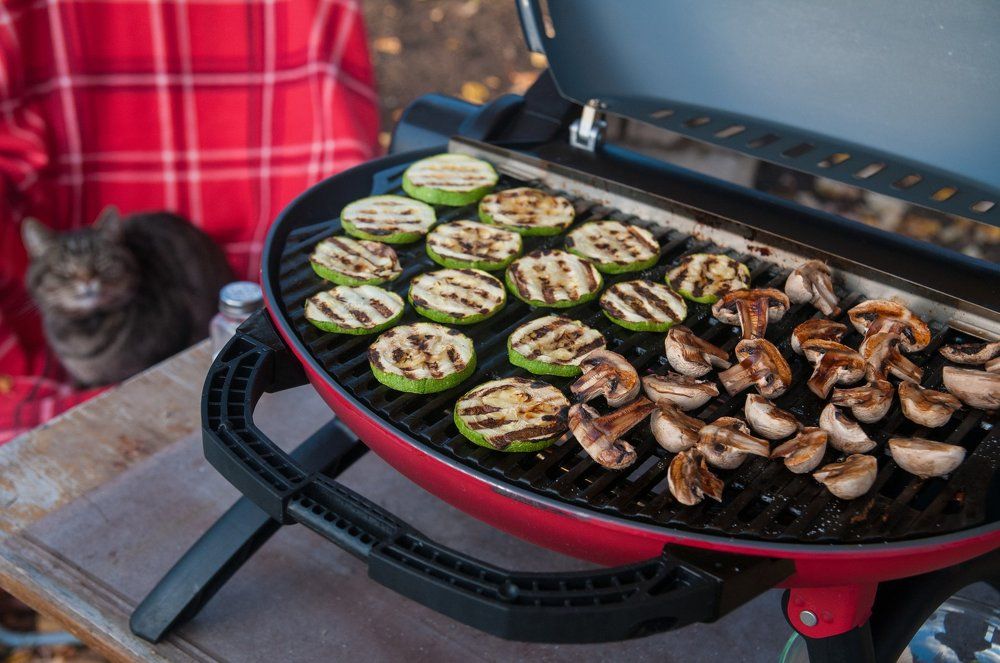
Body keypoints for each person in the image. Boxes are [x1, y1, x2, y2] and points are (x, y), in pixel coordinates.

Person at [0, 0, 379, 443]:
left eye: (100, 267)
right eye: (69, 275)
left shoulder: (146, 312)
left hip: (175, 320)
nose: (86, 281)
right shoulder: (53, 318)